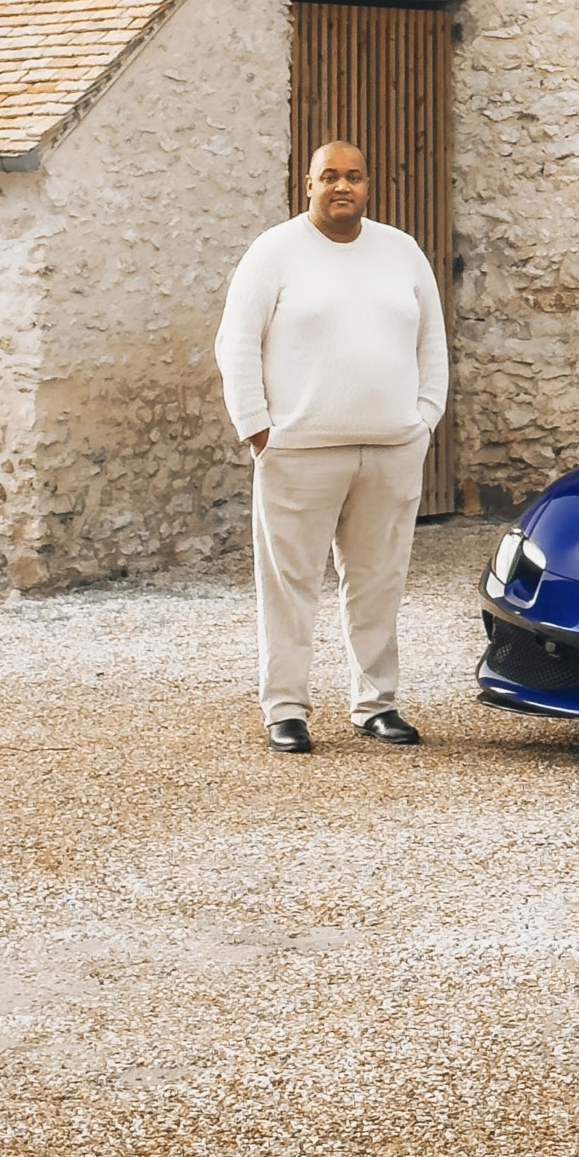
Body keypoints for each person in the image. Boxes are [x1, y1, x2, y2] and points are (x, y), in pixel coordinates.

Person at [214, 141, 449, 753]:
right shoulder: (274, 252)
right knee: (288, 585)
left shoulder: (402, 251)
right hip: (298, 451)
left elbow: (432, 342)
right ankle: (286, 710)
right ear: (309, 184)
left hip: (391, 448)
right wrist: (258, 429)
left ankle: (377, 704)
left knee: (379, 581)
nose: (342, 186)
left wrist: (424, 420)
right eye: (329, 177)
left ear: (368, 185)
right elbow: (236, 344)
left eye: (353, 177)